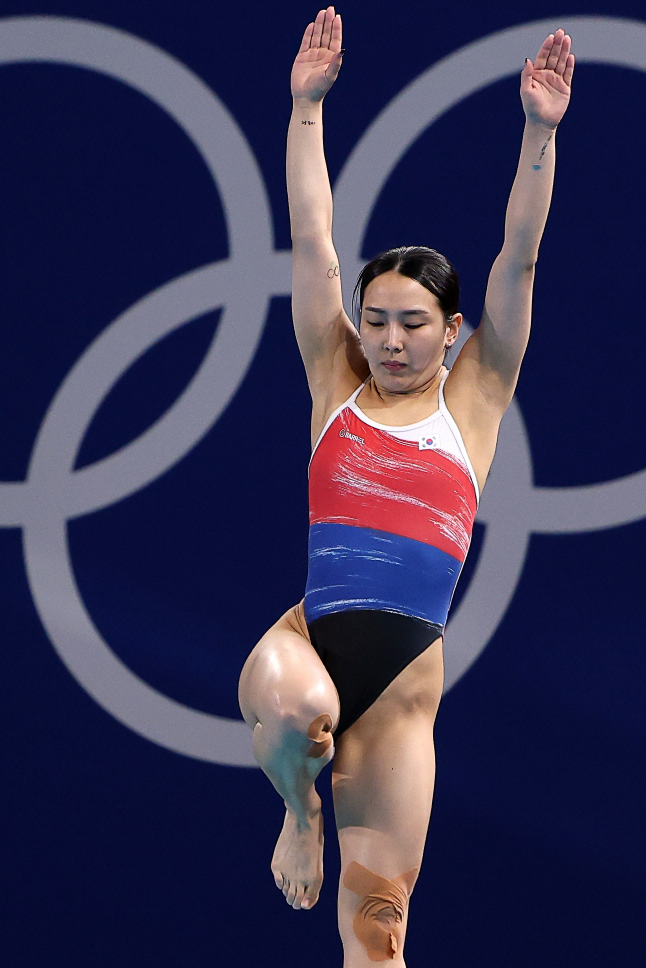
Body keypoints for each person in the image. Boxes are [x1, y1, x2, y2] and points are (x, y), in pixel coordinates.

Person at [238, 8, 574, 965]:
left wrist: (538, 133)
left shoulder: (475, 400)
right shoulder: (334, 382)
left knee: (379, 930)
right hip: (305, 646)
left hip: (402, 693)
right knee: (303, 715)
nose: (388, 340)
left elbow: (521, 255)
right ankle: (297, 813)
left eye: (412, 324)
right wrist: (305, 109)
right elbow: (313, 237)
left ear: (451, 329)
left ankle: (326, 831)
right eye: (375, 320)